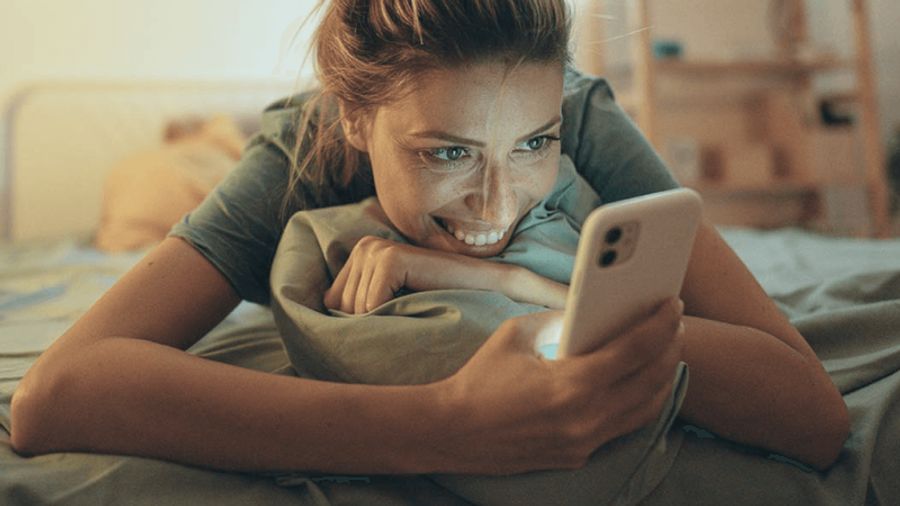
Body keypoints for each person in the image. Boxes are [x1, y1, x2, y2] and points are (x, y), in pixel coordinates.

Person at [10, 0, 847, 476]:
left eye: (533, 144)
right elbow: (57, 396)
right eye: (445, 152)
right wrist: (446, 425)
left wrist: (521, 292)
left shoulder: (584, 111)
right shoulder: (299, 151)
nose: (498, 201)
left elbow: (810, 413)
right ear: (353, 119)